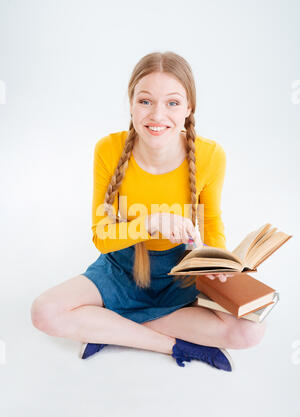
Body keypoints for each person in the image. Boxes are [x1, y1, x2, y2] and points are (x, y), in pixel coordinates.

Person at [31, 51, 266, 371]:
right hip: (120, 270)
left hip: (179, 276)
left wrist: (218, 259)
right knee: (44, 311)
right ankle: (173, 345)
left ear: (188, 108)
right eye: (145, 101)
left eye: (172, 103)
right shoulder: (108, 149)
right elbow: (102, 237)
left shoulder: (211, 155)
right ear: (130, 104)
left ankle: (108, 326)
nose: (157, 115)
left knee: (250, 331)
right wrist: (150, 223)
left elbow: (210, 219)